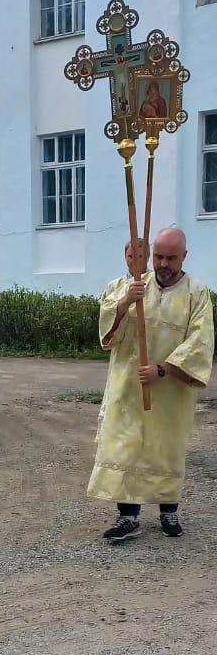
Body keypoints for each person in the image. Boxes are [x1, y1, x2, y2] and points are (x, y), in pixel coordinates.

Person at [89, 227, 214, 541]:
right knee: (127, 449)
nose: (163, 264)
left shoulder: (196, 293)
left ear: (184, 257)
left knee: (166, 448)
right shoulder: (129, 286)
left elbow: (200, 340)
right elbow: (108, 334)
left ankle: (168, 511)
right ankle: (127, 517)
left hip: (170, 391)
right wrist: (124, 303)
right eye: (158, 257)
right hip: (127, 389)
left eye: (171, 258)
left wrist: (164, 369)